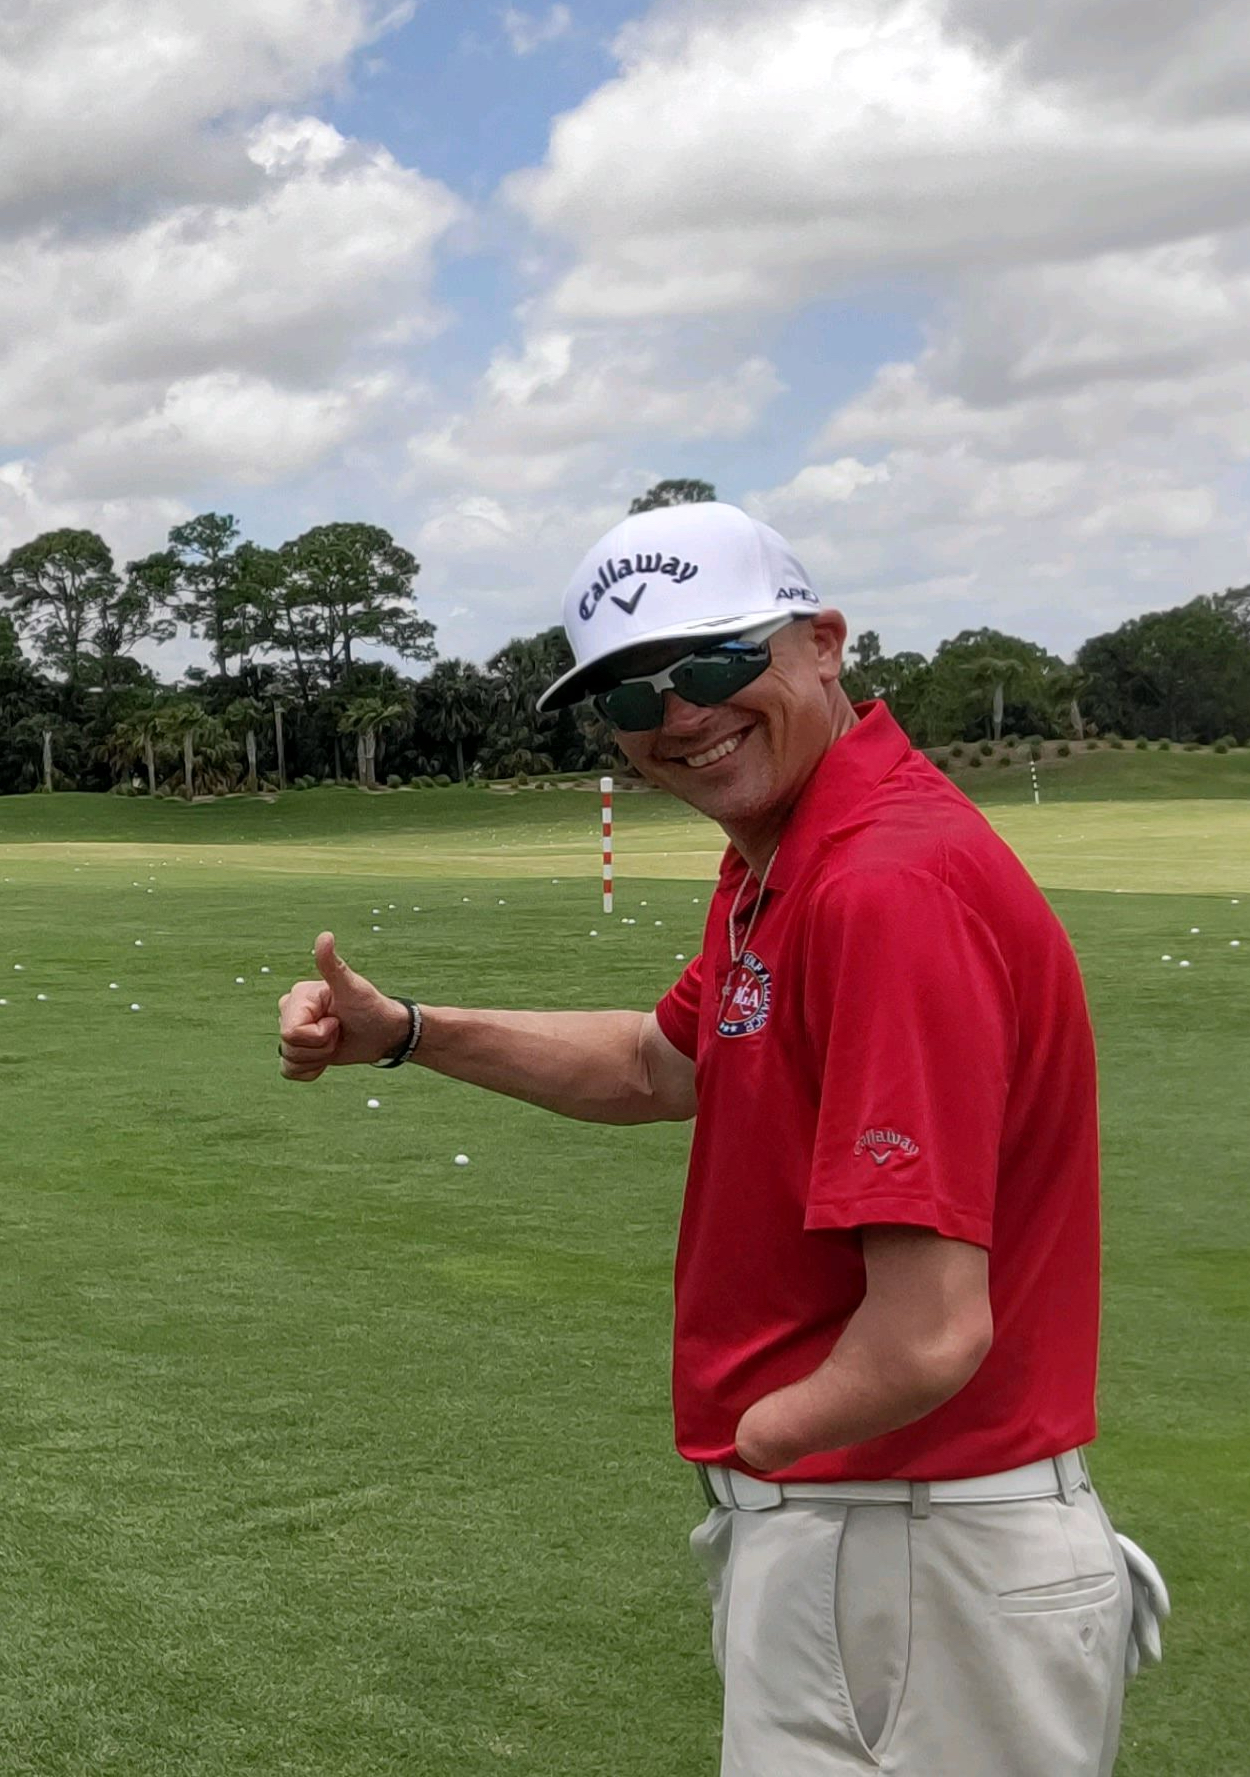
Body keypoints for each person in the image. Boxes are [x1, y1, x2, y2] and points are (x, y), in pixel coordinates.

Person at [277, 502, 1170, 1774]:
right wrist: (412, 1030)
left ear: (820, 643)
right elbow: (658, 1061)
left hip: (904, 1546)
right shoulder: (786, 860)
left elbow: (926, 1331)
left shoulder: (878, 885)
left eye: (709, 662)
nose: (677, 716)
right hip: (884, 1542)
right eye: (629, 695)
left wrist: (757, 1447)